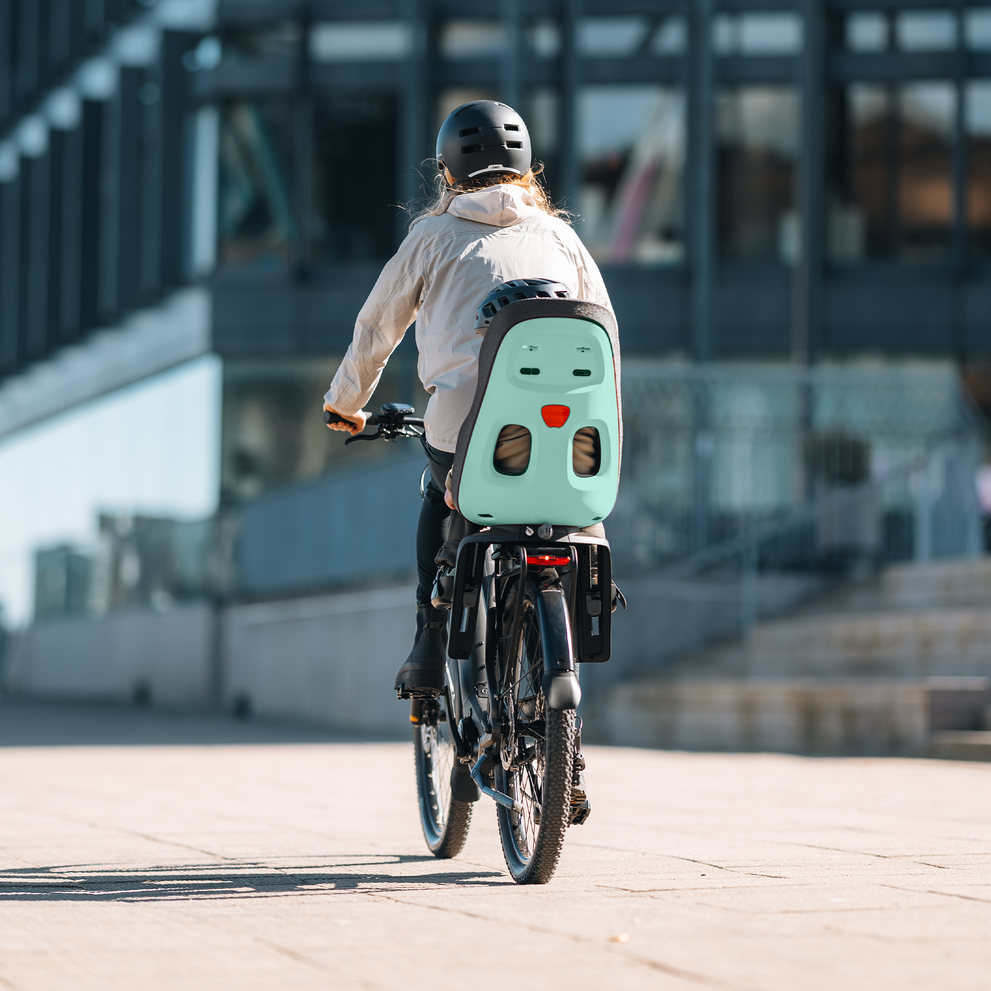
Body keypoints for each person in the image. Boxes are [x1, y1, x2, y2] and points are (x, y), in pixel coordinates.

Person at [323, 100, 616, 699]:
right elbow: (604, 333)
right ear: (529, 169)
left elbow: (377, 326)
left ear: (447, 173)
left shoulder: (431, 236)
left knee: (440, 491)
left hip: (470, 432)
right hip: (569, 434)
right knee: (565, 515)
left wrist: (345, 401)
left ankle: (429, 643)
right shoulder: (563, 238)